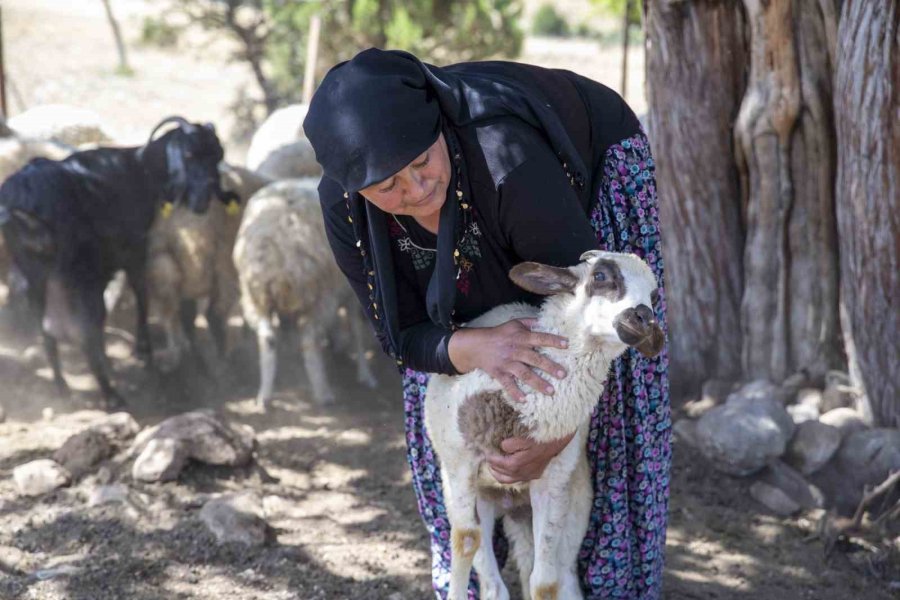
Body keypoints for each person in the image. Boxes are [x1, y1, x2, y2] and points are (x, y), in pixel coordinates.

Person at [304, 48, 670, 599]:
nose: (415, 189)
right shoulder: (346, 208)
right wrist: (471, 347)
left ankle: (597, 584)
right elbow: (399, 335)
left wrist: (556, 437)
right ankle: (474, 585)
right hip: (488, 223)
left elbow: (583, 317)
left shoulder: (509, 159)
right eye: (388, 187)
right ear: (358, 191)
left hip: (584, 181)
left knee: (614, 365)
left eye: (421, 163)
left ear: (438, 130)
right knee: (443, 405)